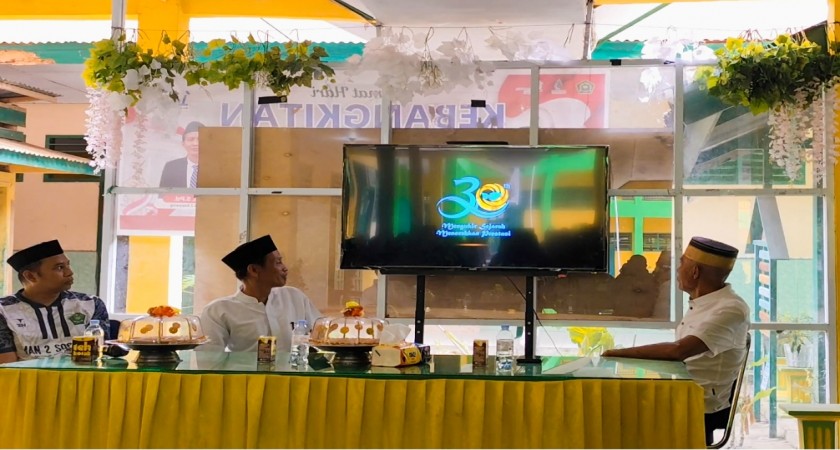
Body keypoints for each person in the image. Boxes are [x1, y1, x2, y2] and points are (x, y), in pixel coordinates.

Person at [601, 237, 750, 445]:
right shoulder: (702, 303)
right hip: (678, 393)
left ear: (695, 272)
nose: (677, 271)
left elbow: (679, 350)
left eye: (681, 264)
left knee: (611, 415)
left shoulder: (730, 308)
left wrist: (615, 353)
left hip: (699, 405)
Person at [199, 235, 321, 352]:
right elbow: (209, 358)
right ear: (254, 270)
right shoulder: (218, 311)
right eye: (278, 262)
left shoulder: (294, 297)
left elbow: (322, 335)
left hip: (294, 367)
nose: (285, 268)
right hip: (245, 368)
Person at [0, 240, 110, 363]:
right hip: (26, 375)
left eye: (68, 265)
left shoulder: (91, 304)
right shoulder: (4, 310)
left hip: (80, 374)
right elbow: (6, 367)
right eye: (60, 267)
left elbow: (100, 357)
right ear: (31, 276)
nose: (69, 272)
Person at [159, 121, 204, 188]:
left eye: (200, 139)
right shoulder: (171, 167)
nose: (195, 143)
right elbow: (163, 193)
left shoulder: (216, 169)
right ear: (183, 144)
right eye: (190, 139)